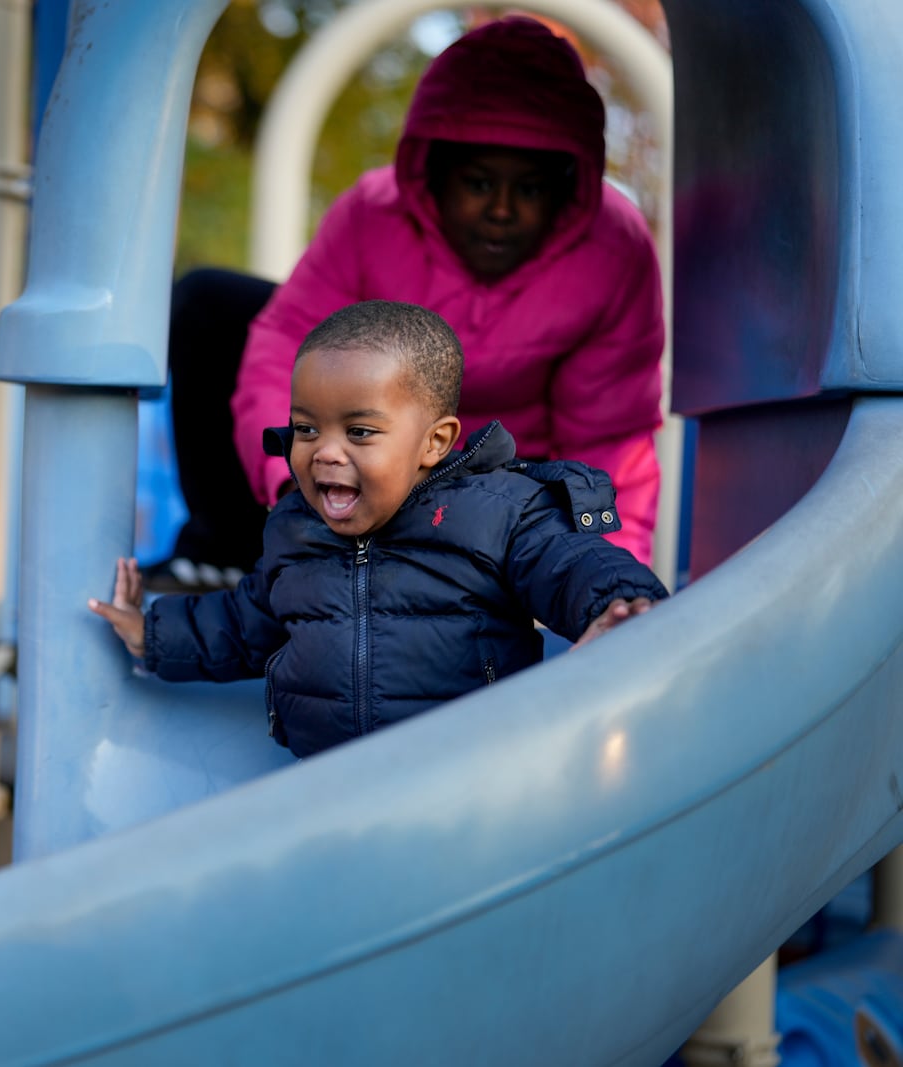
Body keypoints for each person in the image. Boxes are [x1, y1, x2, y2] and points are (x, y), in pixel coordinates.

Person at [151, 16, 664, 592]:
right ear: (436, 173)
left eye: (530, 189)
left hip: (497, 495)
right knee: (212, 304)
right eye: (477, 183)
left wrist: (606, 585)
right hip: (359, 463)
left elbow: (609, 441)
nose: (501, 209)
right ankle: (232, 557)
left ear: (569, 188)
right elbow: (284, 349)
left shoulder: (612, 251)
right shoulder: (371, 214)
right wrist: (297, 485)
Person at [92, 300, 668, 759]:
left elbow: (568, 561)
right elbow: (245, 625)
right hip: (334, 790)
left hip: (473, 773)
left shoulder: (496, 512)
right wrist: (152, 634)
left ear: (434, 442)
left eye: (360, 432)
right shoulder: (297, 530)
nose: (325, 453)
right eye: (306, 429)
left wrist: (618, 602)